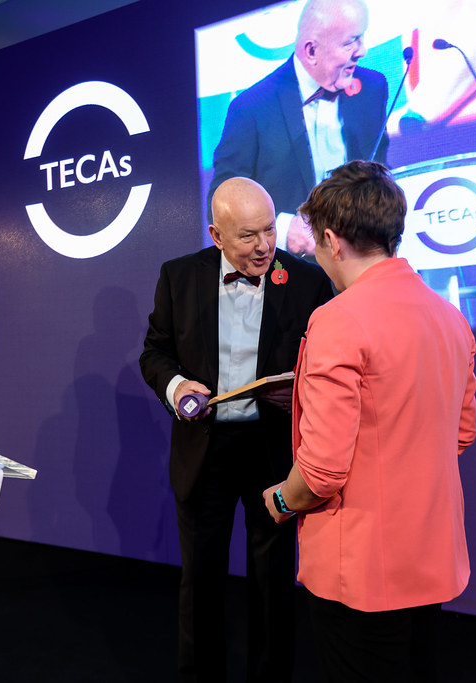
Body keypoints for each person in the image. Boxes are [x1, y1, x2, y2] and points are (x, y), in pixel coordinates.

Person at [263, 160, 476, 681]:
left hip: (361, 568)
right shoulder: (450, 317)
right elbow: (460, 434)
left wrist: (282, 500)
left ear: (331, 241)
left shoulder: (337, 320)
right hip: (429, 556)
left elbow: (321, 472)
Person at [140, 178, 333, 682]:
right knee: (201, 580)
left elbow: (327, 368)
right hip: (205, 449)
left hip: (273, 450)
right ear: (216, 235)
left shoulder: (308, 282)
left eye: (269, 230)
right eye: (248, 236)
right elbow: (155, 353)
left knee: (272, 581)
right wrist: (177, 387)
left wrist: (297, 393)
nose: (264, 246)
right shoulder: (179, 277)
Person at [208, 0, 388, 257]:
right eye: (350, 42)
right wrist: (281, 230)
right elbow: (220, 202)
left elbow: (381, 169)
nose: (362, 51)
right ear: (311, 50)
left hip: (362, 259)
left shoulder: (372, 88)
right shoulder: (251, 107)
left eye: (362, 38)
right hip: (291, 269)